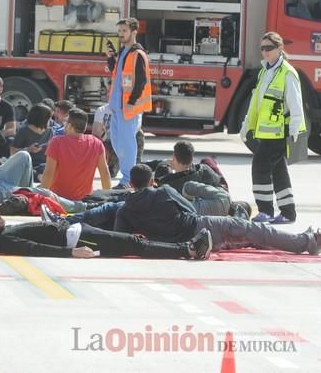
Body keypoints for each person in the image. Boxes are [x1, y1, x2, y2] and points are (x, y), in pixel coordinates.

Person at [114, 164, 320, 255]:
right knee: (254, 230)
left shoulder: (125, 211)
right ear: (151, 181)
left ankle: (296, 241)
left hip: (182, 243)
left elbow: (121, 239)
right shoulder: (163, 192)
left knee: (246, 238)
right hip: (201, 226)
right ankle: (307, 241)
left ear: (130, 184)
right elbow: (190, 210)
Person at [0, 203, 212, 260]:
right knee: (133, 243)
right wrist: (71, 253)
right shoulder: (2, 240)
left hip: (75, 229)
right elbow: (35, 249)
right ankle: (189, 250)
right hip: (77, 238)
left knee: (132, 239)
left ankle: (186, 246)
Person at [241, 32, 306, 224]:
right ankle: (288, 213)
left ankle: (266, 211)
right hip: (267, 133)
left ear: (280, 49)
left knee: (260, 167)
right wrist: (247, 125)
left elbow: (296, 104)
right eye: (262, 48)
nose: (265, 52)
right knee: (278, 172)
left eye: (269, 48)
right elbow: (256, 103)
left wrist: (294, 128)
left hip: (280, 133)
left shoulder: (287, 73)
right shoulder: (265, 71)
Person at [105, 18, 152, 188]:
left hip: (128, 107)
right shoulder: (124, 53)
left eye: (124, 31)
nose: (121, 35)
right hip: (117, 105)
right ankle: (127, 177)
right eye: (119, 31)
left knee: (128, 144)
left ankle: (128, 180)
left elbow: (141, 80)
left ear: (134, 32)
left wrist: (131, 102)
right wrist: (111, 59)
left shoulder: (137, 54)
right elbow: (117, 74)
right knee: (118, 143)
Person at [40, 108, 111, 200]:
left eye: (65, 122)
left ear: (69, 126)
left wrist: (41, 198)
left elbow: (48, 173)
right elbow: (104, 173)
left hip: (58, 199)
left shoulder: (56, 142)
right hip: (84, 200)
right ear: (85, 127)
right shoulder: (96, 143)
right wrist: (109, 198)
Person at [92, 103, 145, 177]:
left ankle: (136, 166)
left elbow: (136, 129)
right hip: (109, 142)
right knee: (111, 174)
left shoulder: (134, 110)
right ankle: (112, 165)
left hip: (125, 139)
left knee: (139, 134)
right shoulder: (102, 110)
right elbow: (95, 135)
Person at [10, 103, 53, 175]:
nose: (50, 120)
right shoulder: (24, 131)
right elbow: (12, 153)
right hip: (28, 164)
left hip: (45, 164)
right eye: (48, 118)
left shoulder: (50, 131)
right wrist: (28, 149)